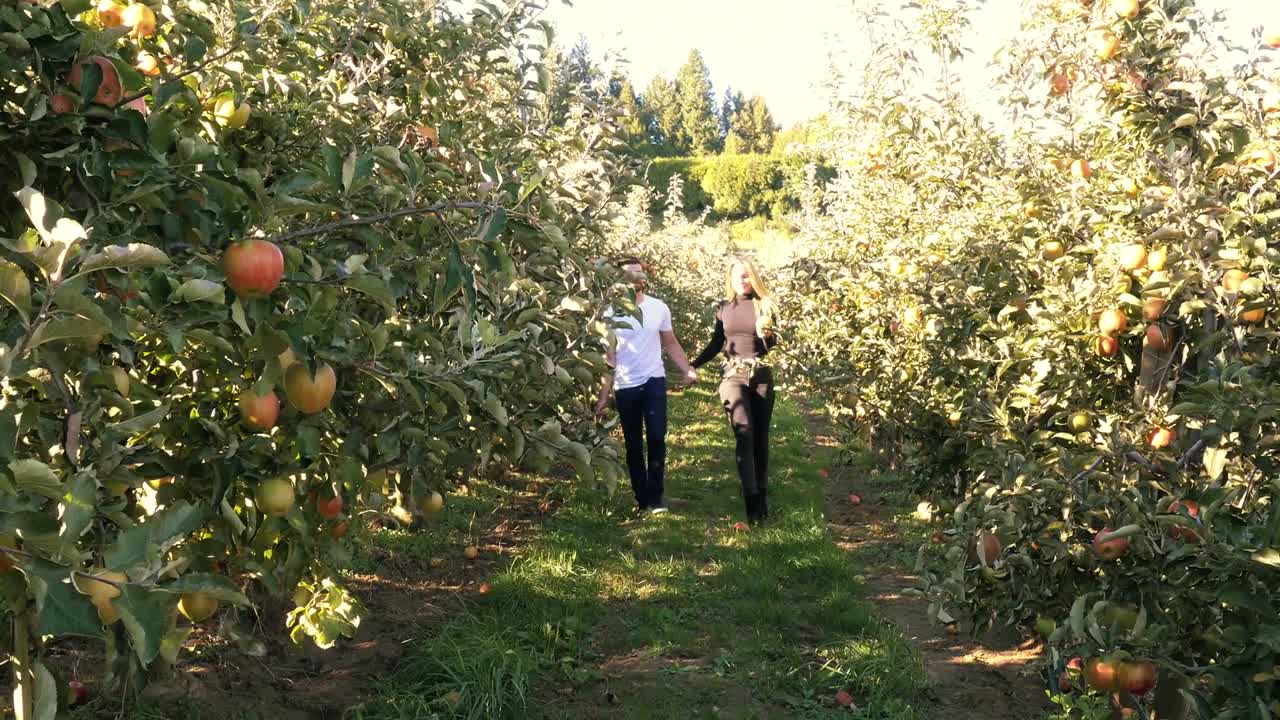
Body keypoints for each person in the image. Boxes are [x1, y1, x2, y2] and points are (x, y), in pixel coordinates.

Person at [596, 258, 698, 514]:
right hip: (625, 383)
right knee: (633, 442)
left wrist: (687, 368)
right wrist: (603, 395)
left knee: (656, 436)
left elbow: (670, 342)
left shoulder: (658, 308)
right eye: (629, 274)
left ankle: (656, 496)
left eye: (639, 273)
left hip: (653, 379)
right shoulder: (610, 313)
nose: (635, 277)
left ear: (645, 278)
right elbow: (609, 357)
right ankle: (642, 498)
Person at [691, 259, 778, 526]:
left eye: (747, 276)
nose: (743, 280)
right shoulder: (724, 308)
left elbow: (773, 345)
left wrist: (767, 333)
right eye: (738, 276)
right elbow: (717, 343)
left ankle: (762, 500)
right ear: (731, 279)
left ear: (754, 278)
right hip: (733, 375)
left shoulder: (765, 306)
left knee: (760, 438)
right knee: (744, 433)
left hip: (761, 374)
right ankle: (751, 503)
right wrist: (691, 366)